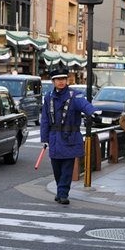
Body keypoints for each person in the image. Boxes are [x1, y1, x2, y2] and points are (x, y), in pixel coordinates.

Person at [40, 68, 97, 205]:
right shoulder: (48, 97)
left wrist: (92, 113)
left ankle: (63, 194)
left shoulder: (74, 95)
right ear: (53, 81)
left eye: (63, 79)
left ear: (67, 80)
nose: (61, 82)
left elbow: (85, 105)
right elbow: (45, 119)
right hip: (54, 137)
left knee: (67, 168)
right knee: (56, 168)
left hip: (69, 137)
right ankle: (60, 190)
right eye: (58, 79)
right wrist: (44, 139)